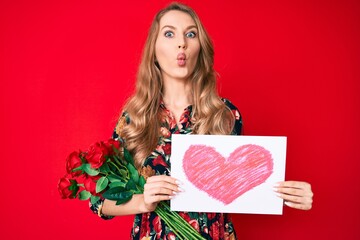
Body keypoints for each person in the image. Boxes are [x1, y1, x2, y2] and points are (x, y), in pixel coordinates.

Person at [90, 2, 313, 239]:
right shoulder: (134, 119)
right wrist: (142, 202)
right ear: (153, 50)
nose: (181, 43)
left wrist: (285, 193)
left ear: (200, 48)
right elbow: (100, 201)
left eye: (190, 34)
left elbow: (237, 185)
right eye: (169, 33)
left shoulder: (225, 115)